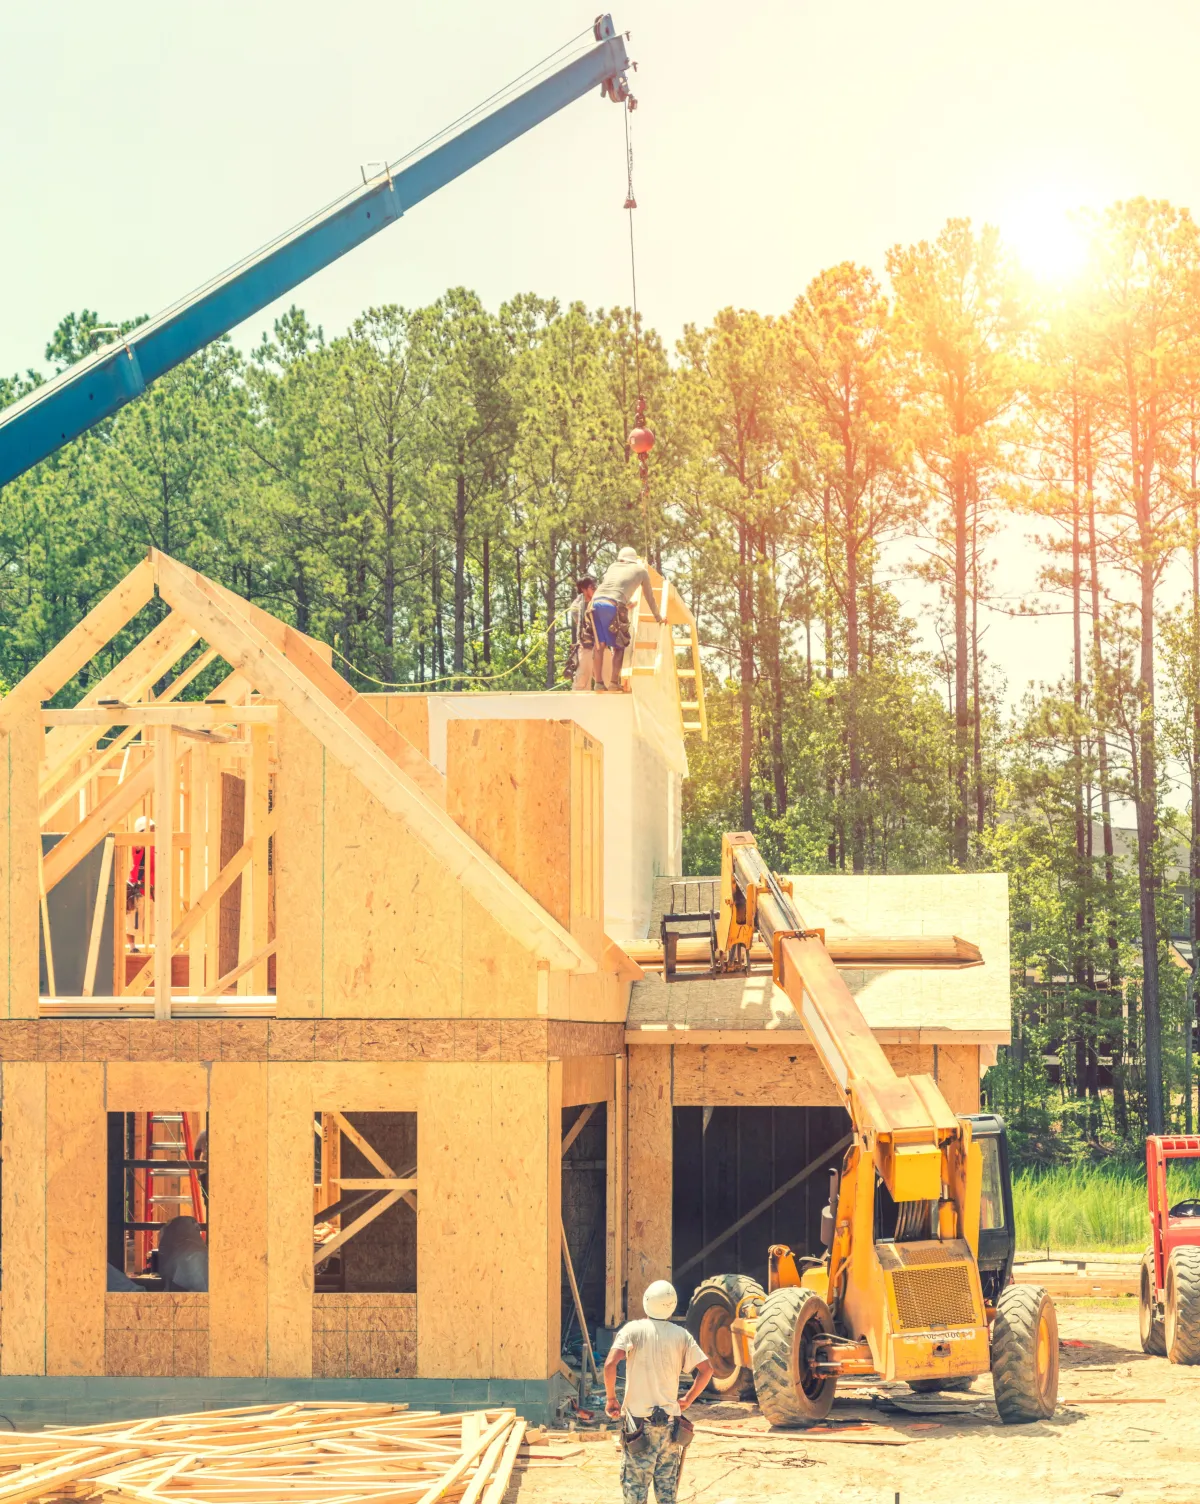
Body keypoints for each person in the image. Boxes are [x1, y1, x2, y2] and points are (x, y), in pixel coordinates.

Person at [604, 1279, 713, 1504]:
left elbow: (610, 1364)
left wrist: (611, 1399)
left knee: (635, 1490)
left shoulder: (632, 1330)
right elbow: (707, 1369)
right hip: (670, 1427)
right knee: (666, 1494)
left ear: (646, 1302)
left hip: (638, 1426)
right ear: (672, 1306)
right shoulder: (681, 1335)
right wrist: (688, 1399)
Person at [591, 547, 664, 691]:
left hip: (594, 604)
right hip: (612, 605)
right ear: (634, 560)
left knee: (599, 645)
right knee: (620, 644)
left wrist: (626, 603)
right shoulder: (641, 571)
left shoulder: (613, 567)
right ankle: (613, 683)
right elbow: (649, 597)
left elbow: (613, 588)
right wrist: (658, 617)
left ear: (621, 558)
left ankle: (598, 683)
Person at [566, 575, 597, 690]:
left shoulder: (598, 599)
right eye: (592, 587)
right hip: (586, 646)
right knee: (582, 684)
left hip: (601, 646)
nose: (595, 589)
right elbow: (582, 622)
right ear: (584, 589)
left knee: (608, 682)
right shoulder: (577, 605)